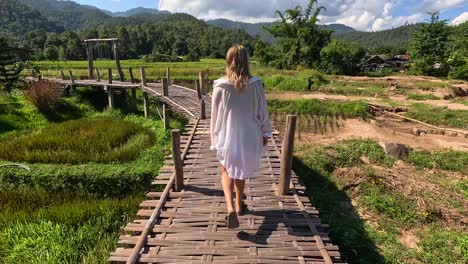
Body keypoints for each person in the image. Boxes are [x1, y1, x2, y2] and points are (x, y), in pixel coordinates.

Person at [210, 45, 272, 229]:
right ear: (247, 60)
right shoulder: (256, 84)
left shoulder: (220, 86)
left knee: (226, 170)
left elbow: (215, 117)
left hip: (228, 135)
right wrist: (265, 133)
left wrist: (215, 140)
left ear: (229, 61)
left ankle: (230, 208)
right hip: (250, 135)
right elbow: (263, 112)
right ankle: (239, 206)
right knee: (241, 170)